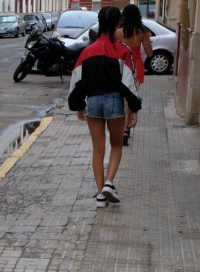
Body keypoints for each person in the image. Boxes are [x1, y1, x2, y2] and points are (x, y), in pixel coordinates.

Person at [68, 6, 141, 208]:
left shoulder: (87, 51)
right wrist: (133, 109)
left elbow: (77, 81)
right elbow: (130, 82)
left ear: (100, 23)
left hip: (93, 102)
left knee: (98, 150)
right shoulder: (122, 51)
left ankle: (101, 195)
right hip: (114, 101)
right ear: (118, 24)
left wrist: (78, 105)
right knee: (116, 145)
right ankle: (109, 182)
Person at [118, 4, 152, 145]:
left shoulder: (118, 33)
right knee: (131, 96)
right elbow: (150, 53)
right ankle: (127, 128)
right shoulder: (142, 32)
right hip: (136, 66)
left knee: (123, 99)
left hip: (122, 66)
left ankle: (123, 129)